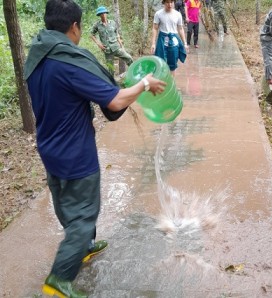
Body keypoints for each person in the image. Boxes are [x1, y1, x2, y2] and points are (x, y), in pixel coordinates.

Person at [23, 0, 166, 296]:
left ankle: (84, 247)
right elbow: (113, 102)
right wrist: (142, 85)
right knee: (85, 212)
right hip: (76, 152)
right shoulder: (69, 62)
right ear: (74, 27)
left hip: (49, 146)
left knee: (65, 200)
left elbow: (81, 89)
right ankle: (59, 279)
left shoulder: (39, 55)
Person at [90, 6, 133, 75]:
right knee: (111, 69)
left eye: (104, 13)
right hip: (107, 50)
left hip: (116, 47)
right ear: (99, 15)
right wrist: (99, 44)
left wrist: (122, 46)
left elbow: (117, 34)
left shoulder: (112, 23)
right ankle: (112, 83)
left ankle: (133, 72)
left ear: (106, 13)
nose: (103, 15)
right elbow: (91, 34)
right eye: (101, 14)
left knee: (129, 58)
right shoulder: (97, 25)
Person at [151, 0, 188, 76]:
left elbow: (180, 29)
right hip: (162, 40)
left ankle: (172, 84)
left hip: (174, 41)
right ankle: (162, 84)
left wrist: (185, 43)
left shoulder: (177, 14)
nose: (170, 4)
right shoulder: (158, 14)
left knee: (172, 64)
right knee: (160, 62)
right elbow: (155, 28)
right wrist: (153, 44)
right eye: (167, 2)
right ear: (164, 3)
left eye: (171, 2)